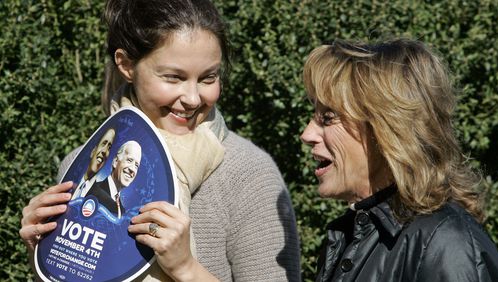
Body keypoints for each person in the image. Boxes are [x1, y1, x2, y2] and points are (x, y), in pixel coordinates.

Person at [19, 0, 301, 281]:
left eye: (208, 78)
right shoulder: (81, 166)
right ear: (127, 65)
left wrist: (186, 269)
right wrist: (44, 258)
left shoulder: (249, 174)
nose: (192, 98)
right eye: (173, 78)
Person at [300, 38, 498, 281]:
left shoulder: (445, 244)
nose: (307, 134)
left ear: (386, 128)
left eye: (328, 117)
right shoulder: (352, 235)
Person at [86, 140, 142, 218]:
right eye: (129, 160)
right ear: (115, 161)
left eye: (136, 165)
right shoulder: (94, 191)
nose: (132, 169)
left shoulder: (121, 209)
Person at [70, 127, 116, 199]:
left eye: (109, 147)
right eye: (104, 143)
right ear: (93, 151)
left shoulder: (104, 198)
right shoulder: (70, 172)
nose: (104, 151)